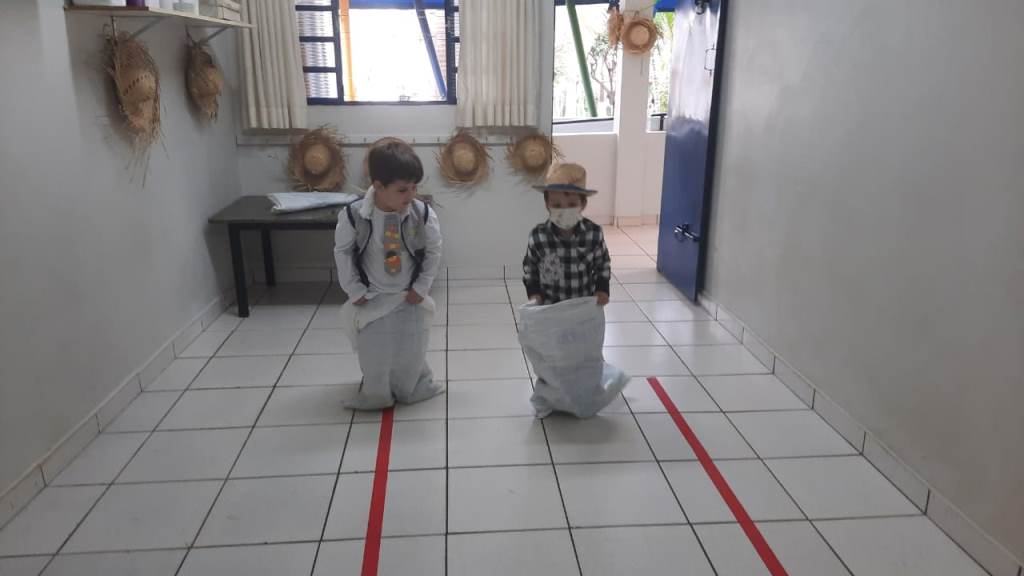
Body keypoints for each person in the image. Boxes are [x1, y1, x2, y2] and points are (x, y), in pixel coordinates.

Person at [334, 139, 443, 410]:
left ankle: (411, 388)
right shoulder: (354, 215)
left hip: (409, 294)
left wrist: (421, 286)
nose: (411, 195)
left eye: (415, 187)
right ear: (378, 186)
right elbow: (343, 252)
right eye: (403, 189)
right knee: (375, 350)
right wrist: (354, 289)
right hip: (373, 295)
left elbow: (433, 251)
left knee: (412, 347)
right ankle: (377, 393)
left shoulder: (421, 213)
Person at [523, 163, 612, 306]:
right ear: (547, 204)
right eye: (557, 205)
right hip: (550, 308)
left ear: (583, 203)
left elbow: (603, 265)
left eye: (571, 205)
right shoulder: (538, 237)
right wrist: (534, 294)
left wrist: (602, 290)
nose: (564, 210)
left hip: (584, 307)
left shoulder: (594, 234)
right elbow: (530, 269)